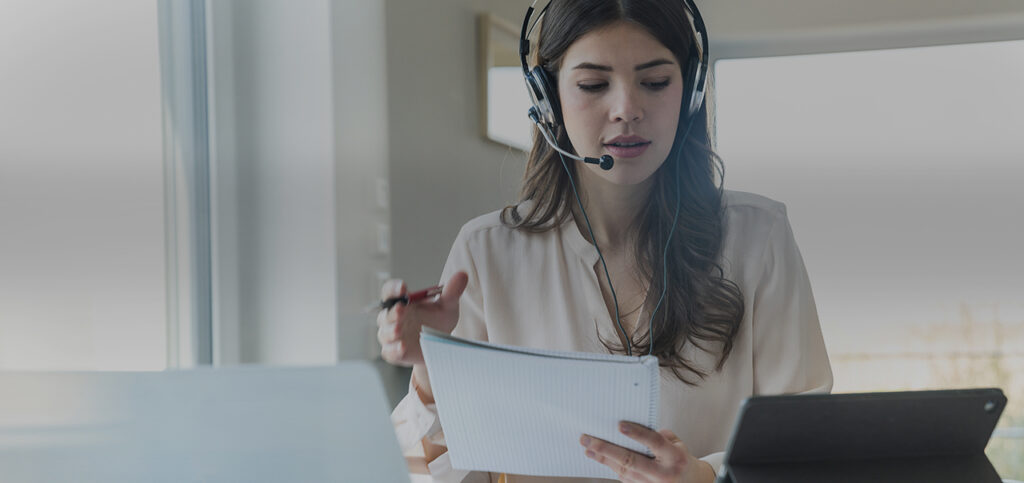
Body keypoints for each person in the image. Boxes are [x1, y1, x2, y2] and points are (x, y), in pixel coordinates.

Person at [378, 0, 833, 481]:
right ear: (548, 96)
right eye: (594, 85)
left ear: (692, 91)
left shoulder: (759, 237)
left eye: (655, 82)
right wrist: (432, 370)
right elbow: (445, 474)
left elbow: (802, 450)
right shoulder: (486, 252)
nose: (626, 110)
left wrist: (703, 477)